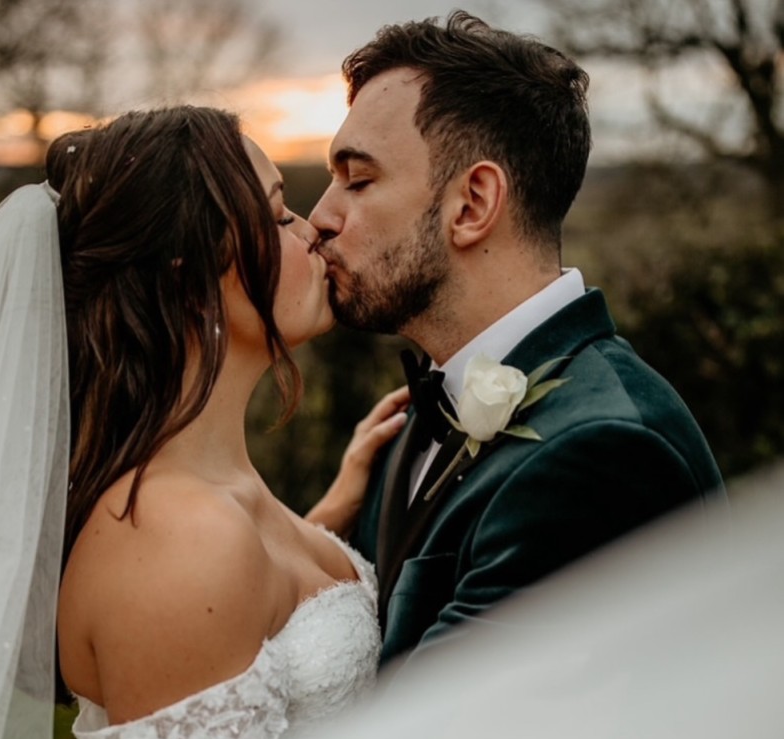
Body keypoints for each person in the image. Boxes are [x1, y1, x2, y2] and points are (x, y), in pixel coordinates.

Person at [0, 105, 408, 739]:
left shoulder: (211, 500)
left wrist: (329, 517)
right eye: (275, 213)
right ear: (186, 272)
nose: (313, 231)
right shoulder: (175, 537)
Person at [307, 11, 725, 672]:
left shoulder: (601, 454)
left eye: (357, 180)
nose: (320, 219)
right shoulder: (412, 417)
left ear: (473, 203)